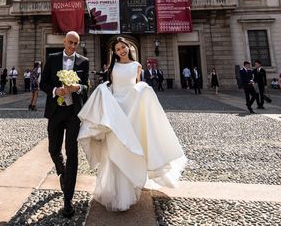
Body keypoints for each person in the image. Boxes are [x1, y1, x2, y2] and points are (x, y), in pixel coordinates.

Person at [78, 37, 186, 212]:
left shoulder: (137, 66)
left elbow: (136, 87)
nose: (121, 51)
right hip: (115, 111)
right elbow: (112, 87)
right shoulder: (112, 66)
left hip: (132, 109)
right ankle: (114, 191)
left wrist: (144, 89)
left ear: (128, 47)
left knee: (129, 146)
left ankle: (129, 187)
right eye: (118, 49)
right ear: (115, 52)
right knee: (113, 147)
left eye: (123, 47)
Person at [39, 31, 89, 218]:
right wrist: (54, 90)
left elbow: (86, 86)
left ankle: (68, 200)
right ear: (64, 41)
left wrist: (79, 88)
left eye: (76, 43)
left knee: (72, 154)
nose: (72, 46)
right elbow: (43, 83)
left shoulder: (83, 61)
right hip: (55, 111)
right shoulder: (52, 59)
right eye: (70, 42)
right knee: (53, 149)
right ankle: (62, 171)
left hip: (73, 113)